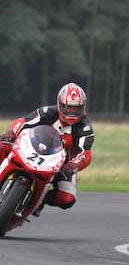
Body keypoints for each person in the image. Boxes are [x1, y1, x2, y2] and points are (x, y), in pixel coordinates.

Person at [0, 82, 94, 215]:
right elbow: (23, 122)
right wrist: (11, 133)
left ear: (83, 107)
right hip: (32, 148)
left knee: (67, 198)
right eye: (69, 107)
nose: (72, 112)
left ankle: (39, 201)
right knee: (3, 145)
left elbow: (85, 153)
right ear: (60, 104)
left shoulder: (85, 127)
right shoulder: (47, 112)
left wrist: (73, 166)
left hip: (62, 165)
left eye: (76, 108)